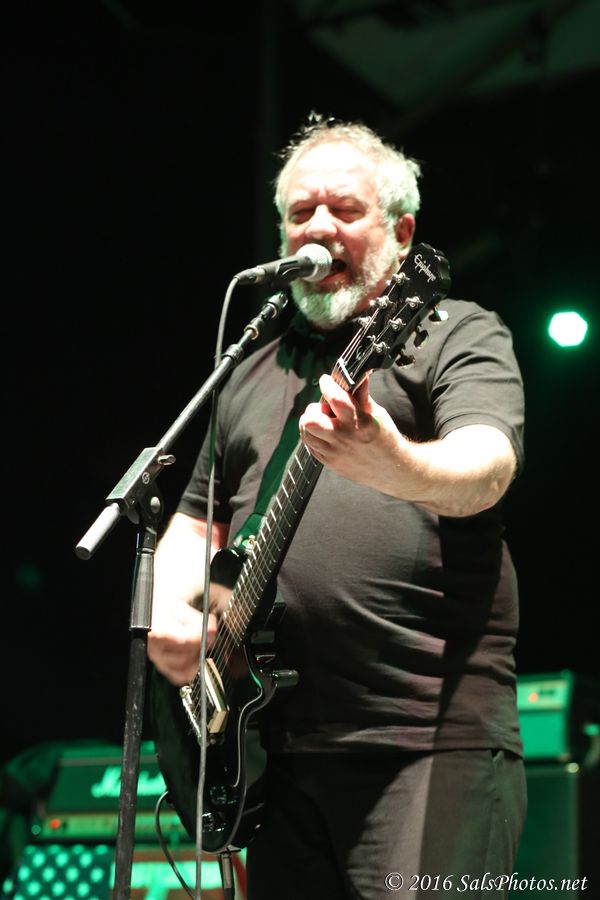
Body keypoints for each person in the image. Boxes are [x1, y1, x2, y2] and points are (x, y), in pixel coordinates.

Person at [148, 115, 526, 899]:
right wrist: (172, 612)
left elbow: (487, 467)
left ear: (402, 232)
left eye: (345, 210)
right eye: (301, 212)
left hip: (427, 739)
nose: (318, 227)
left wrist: (393, 461)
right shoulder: (250, 368)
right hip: (275, 749)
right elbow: (195, 521)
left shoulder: (454, 334)